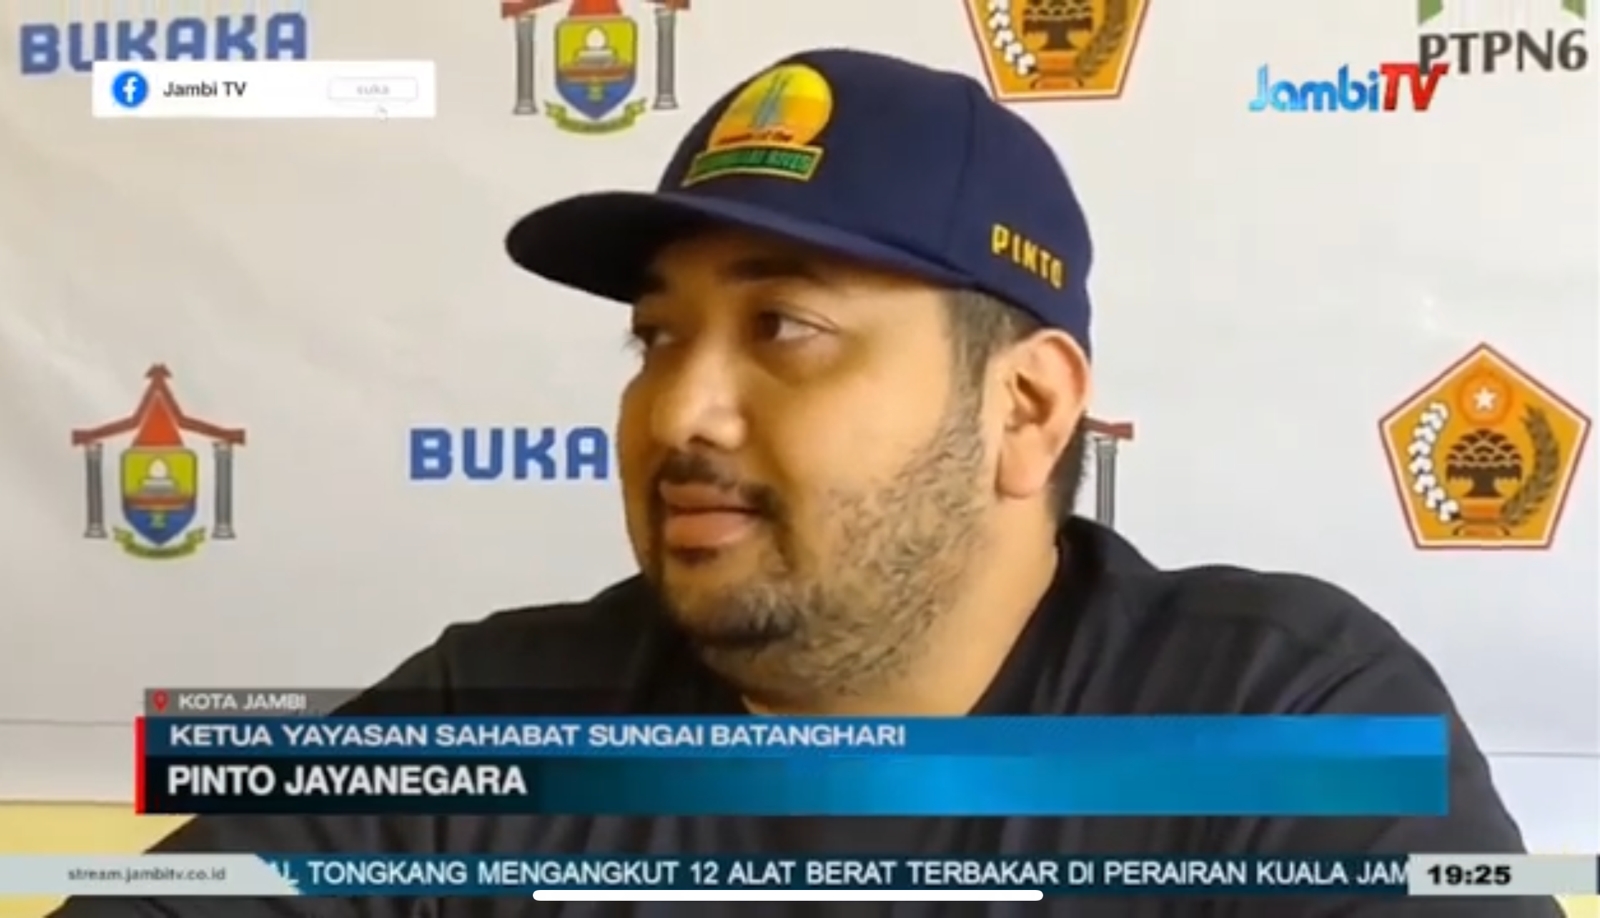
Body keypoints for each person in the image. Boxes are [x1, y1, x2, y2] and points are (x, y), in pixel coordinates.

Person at [52, 48, 1557, 918]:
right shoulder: (491, 717)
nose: (676, 408)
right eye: (657, 336)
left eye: (783, 327)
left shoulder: (1282, 725)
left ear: (1027, 408)